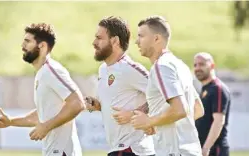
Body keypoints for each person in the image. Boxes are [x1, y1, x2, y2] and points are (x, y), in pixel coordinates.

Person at [0, 23, 85, 156]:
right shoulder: (42, 73)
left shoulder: (51, 70)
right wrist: (11, 121)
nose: (22, 46)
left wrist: (46, 127)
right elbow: (42, 115)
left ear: (42, 46)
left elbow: (77, 103)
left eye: (27, 41)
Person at [131, 15, 204, 156]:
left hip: (174, 152)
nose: (136, 41)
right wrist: (159, 124)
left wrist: (149, 121)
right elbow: (197, 109)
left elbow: (180, 110)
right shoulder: (180, 65)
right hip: (189, 150)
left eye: (141, 36)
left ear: (156, 39)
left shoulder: (161, 66)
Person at [85, 16, 155, 156]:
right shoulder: (103, 69)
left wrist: (134, 114)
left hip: (133, 149)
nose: (94, 42)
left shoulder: (130, 68)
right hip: (116, 148)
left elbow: (162, 96)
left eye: (99, 38)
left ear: (115, 41)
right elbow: (116, 101)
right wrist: (98, 105)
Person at [194, 52, 231, 156]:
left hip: (215, 151)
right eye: (195, 65)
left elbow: (218, 121)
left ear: (212, 66)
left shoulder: (218, 89)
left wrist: (206, 148)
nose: (197, 68)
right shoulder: (205, 90)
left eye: (201, 64)